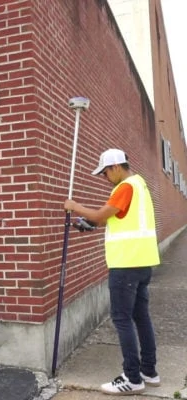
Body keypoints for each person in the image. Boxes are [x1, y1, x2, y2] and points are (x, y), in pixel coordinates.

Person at [64, 148, 161, 396]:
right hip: (142, 262)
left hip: (125, 265)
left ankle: (132, 378)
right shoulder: (140, 185)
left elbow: (99, 214)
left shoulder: (125, 187)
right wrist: (92, 224)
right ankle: (149, 372)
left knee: (122, 319)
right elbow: (113, 218)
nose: (104, 177)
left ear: (116, 167)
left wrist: (75, 206)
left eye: (105, 172)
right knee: (141, 317)